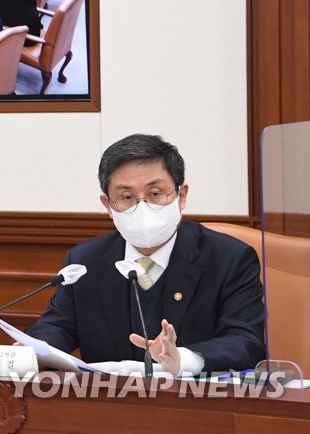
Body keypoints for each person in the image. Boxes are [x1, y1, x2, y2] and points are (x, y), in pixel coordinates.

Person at [27, 134, 266, 375]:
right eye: (127, 197)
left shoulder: (229, 258)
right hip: (107, 404)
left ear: (181, 196)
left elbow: (246, 342)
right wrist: (33, 351)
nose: (142, 207)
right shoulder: (85, 261)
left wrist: (182, 359)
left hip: (195, 403)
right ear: (108, 205)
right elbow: (58, 326)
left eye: (155, 193)